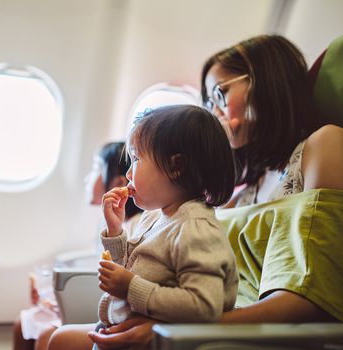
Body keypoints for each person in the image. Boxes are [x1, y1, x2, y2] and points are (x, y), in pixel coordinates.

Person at [48, 34, 343, 350]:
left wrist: (169, 328)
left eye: (221, 93)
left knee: (62, 342)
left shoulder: (323, 146)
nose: (214, 111)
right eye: (208, 101)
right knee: (54, 339)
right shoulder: (246, 184)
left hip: (241, 328)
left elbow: (305, 297)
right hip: (193, 314)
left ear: (267, 81)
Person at [51, 105, 239, 350]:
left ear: (176, 167)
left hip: (164, 344)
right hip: (127, 334)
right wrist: (116, 231)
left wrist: (130, 287)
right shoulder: (155, 218)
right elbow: (132, 266)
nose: (128, 173)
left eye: (136, 159)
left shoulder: (195, 229)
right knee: (58, 339)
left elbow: (204, 306)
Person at [13, 141, 143, 350]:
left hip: (111, 306)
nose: (87, 178)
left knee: (47, 334)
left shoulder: (133, 227)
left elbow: (120, 278)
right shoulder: (110, 222)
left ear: (118, 182)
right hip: (99, 300)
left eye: (94, 169)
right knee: (21, 324)